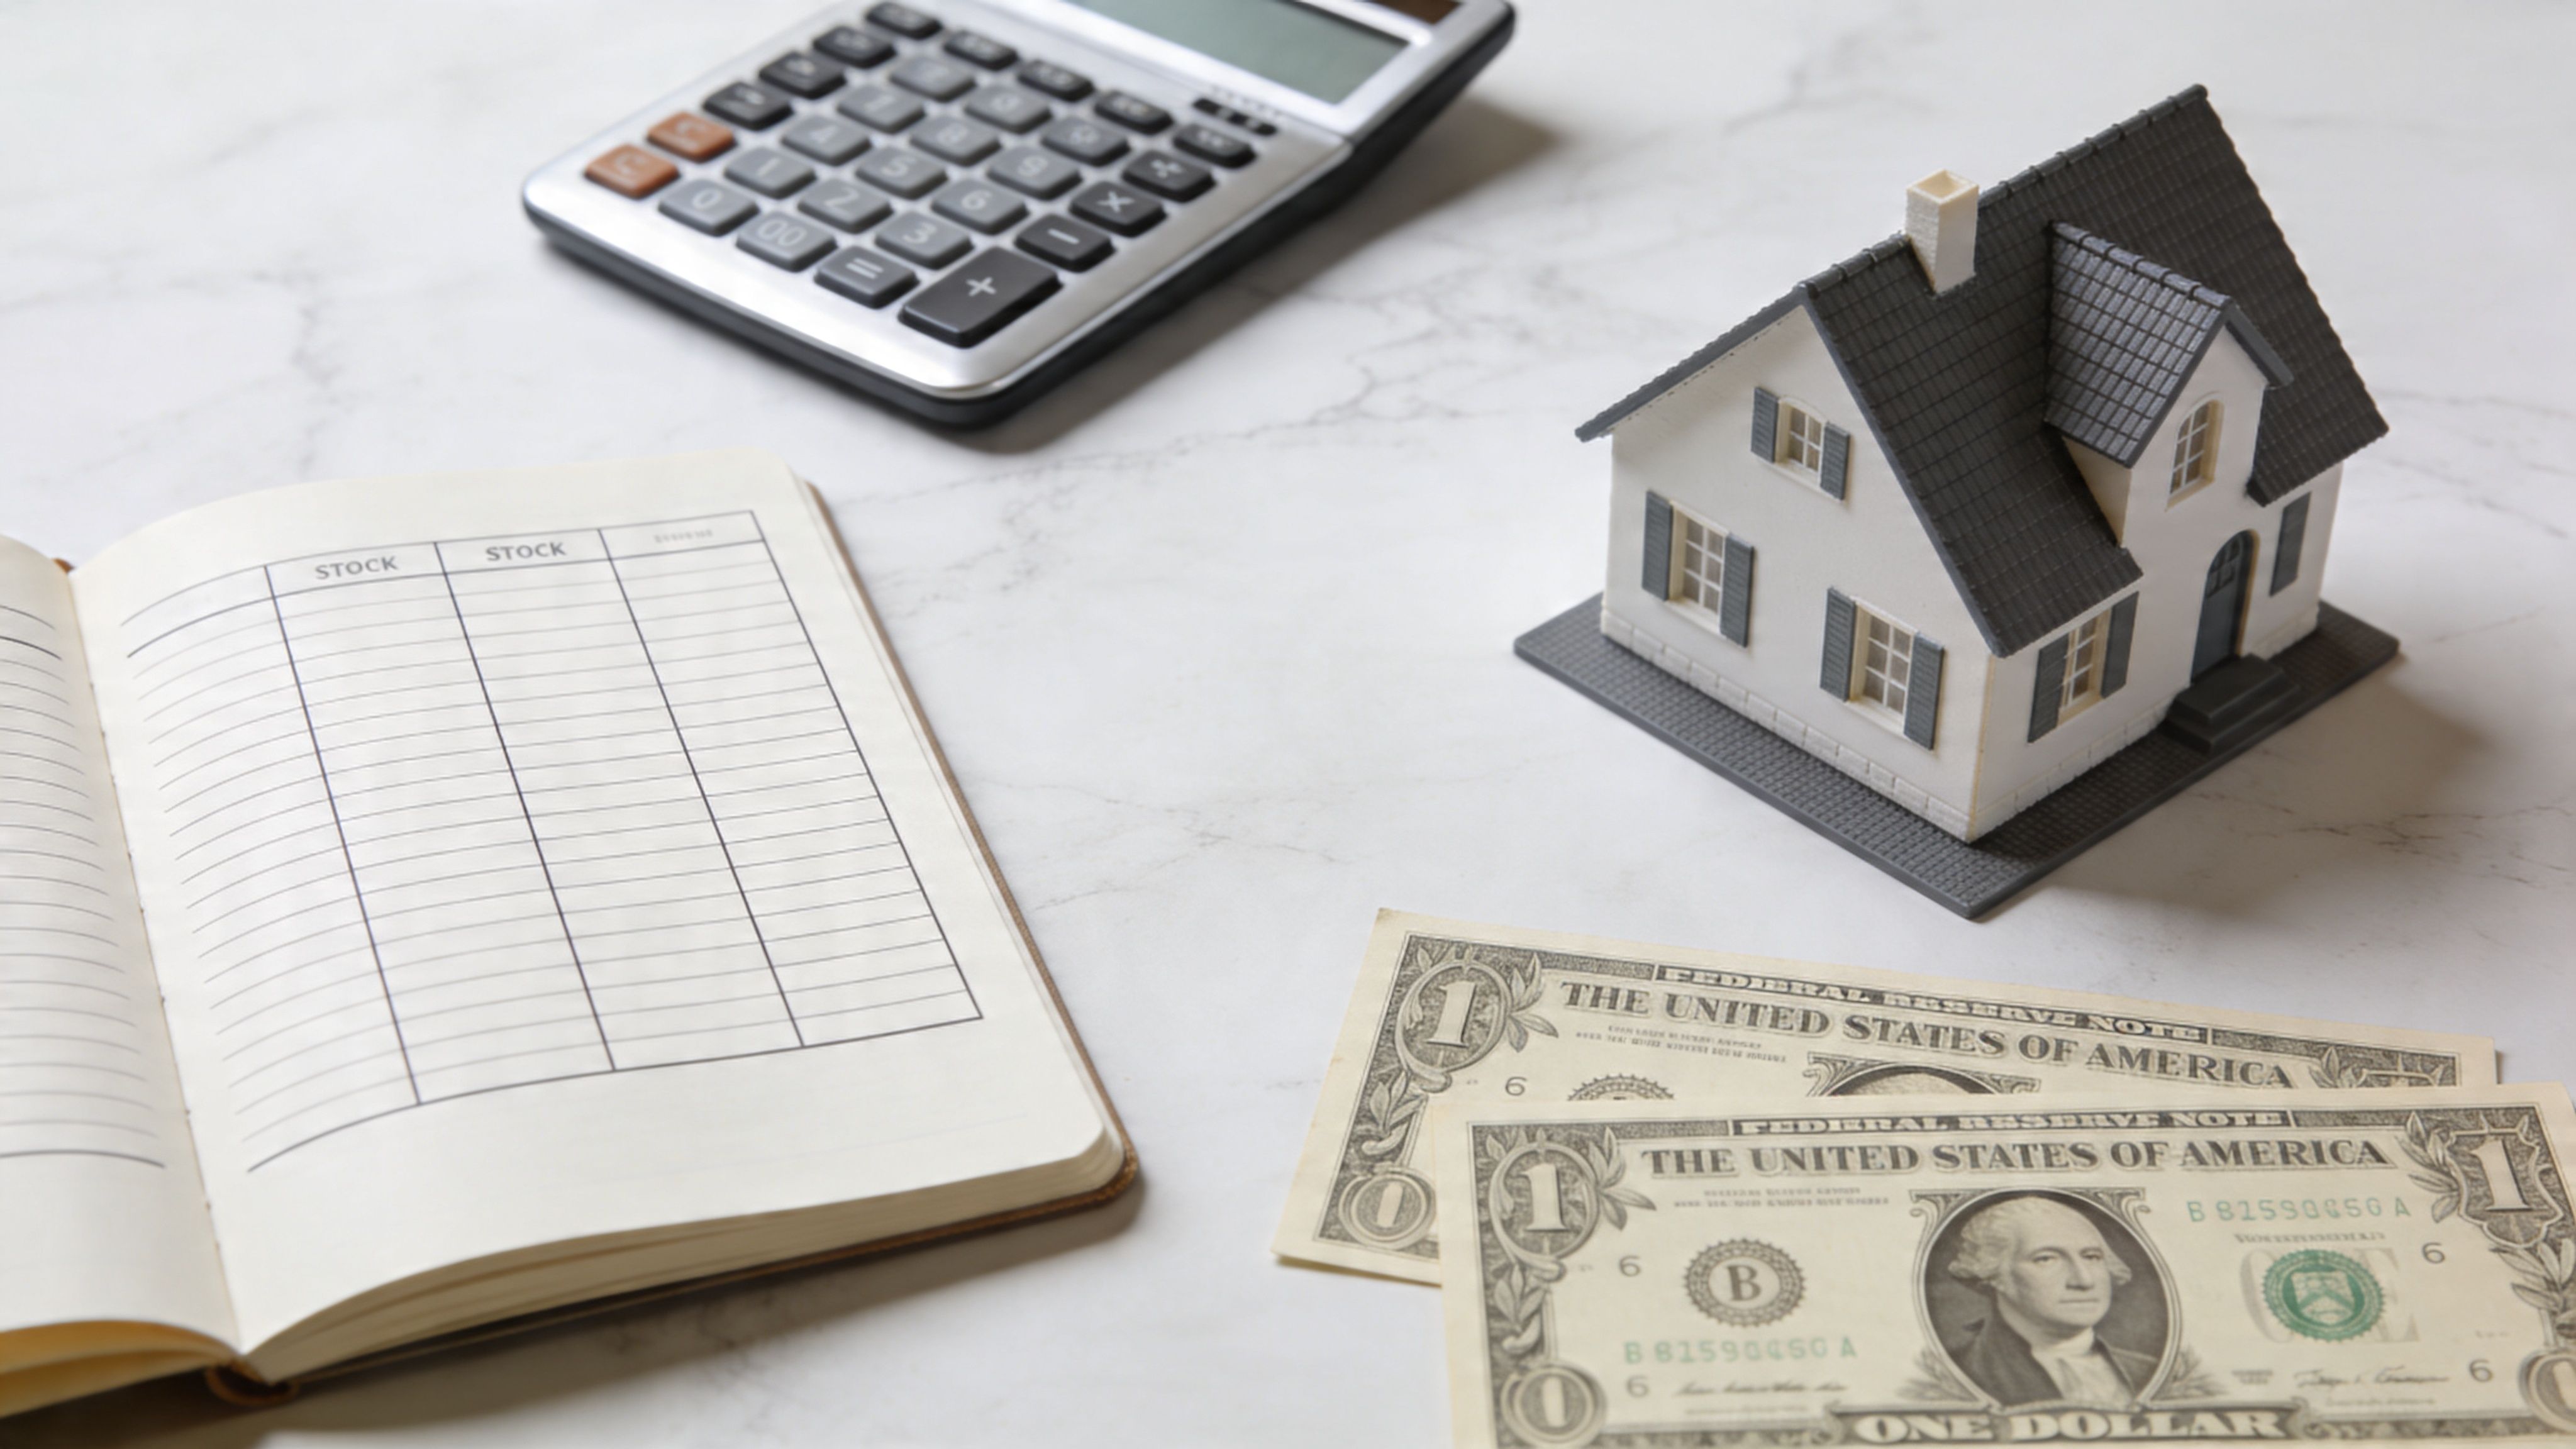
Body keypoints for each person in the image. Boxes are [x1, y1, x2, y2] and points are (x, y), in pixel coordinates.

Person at [1943, 1197, 2158, 1407]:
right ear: (1993, 1273)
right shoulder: (1955, 1374)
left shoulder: (2150, 1371)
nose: (2084, 1280)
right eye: (2046, 1259)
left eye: (2091, 1257)